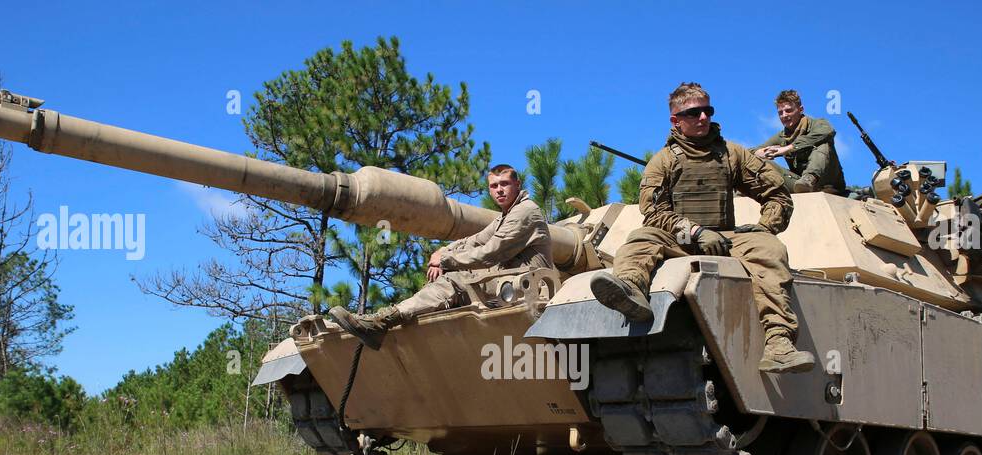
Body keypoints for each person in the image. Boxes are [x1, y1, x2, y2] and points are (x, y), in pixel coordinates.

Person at [590, 82, 815, 373]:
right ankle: (631, 290)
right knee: (641, 238)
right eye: (694, 113)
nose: (703, 118)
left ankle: (779, 343)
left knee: (770, 250)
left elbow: (777, 195)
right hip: (678, 238)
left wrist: (764, 227)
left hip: (726, 237)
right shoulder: (664, 161)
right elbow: (653, 212)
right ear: (676, 120)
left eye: (707, 110)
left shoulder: (732, 154)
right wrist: (694, 231)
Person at [328, 164, 552, 350]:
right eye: (494, 186)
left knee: (453, 281)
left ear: (517, 185)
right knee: (449, 279)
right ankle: (392, 322)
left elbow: (491, 251)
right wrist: (442, 252)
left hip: (526, 286)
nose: (499, 190)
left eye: (504, 184)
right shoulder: (505, 216)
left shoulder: (524, 212)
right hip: (505, 283)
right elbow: (475, 240)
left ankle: (384, 321)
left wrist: (445, 262)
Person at [754, 90, 846, 194]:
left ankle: (809, 178)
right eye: (780, 112)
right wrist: (758, 152)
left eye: (788, 110)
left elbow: (828, 131)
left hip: (830, 184)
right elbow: (750, 151)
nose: (784, 115)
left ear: (800, 109)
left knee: (822, 143)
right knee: (761, 163)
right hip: (800, 185)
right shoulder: (782, 137)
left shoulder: (818, 124)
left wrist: (788, 148)